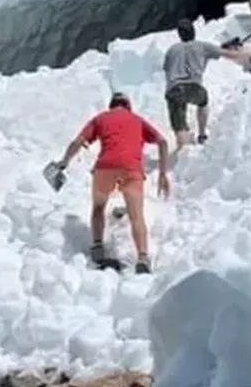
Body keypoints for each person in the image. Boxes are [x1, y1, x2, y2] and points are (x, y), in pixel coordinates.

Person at [54, 92, 169, 273]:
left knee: (99, 207)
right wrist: (163, 174)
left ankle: (98, 247)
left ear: (111, 105)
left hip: (104, 169)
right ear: (128, 106)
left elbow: (78, 142)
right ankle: (143, 258)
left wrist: (63, 163)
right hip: (131, 170)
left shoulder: (100, 119)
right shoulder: (137, 120)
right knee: (136, 216)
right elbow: (162, 141)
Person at [163, 19, 248, 150]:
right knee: (203, 102)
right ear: (193, 32)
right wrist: (244, 55)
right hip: (194, 87)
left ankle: (183, 153)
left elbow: (167, 70)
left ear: (179, 34)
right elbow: (228, 54)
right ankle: (202, 134)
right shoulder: (202, 46)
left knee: (179, 126)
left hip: (173, 89)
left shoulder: (171, 50)